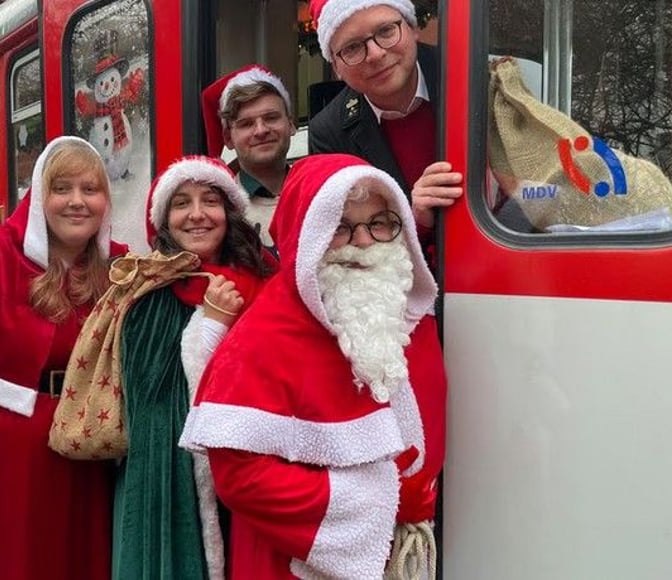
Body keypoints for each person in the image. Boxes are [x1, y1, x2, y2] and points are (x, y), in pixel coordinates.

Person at [180, 153, 448, 579]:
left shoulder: (405, 312)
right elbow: (240, 476)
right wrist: (386, 501)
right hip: (297, 559)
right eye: (341, 227)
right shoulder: (265, 334)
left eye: (381, 222)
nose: (364, 241)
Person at [0, 135, 127, 580]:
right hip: (7, 445)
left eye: (90, 190)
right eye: (62, 189)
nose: (77, 202)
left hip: (90, 442)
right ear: (38, 196)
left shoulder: (120, 268)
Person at [112, 157, 275, 579]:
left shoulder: (264, 282)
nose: (198, 214)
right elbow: (150, 400)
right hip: (174, 480)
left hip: (255, 470)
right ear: (165, 220)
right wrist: (213, 325)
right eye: (182, 203)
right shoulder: (148, 291)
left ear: (230, 213)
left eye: (210, 201)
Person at [308, 0, 463, 255]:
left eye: (385, 31)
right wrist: (414, 218)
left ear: (412, 27)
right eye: (352, 47)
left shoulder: (469, 74)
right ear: (336, 67)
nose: (376, 54)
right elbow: (348, 242)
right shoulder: (329, 132)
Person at [201, 65, 295, 253]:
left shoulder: (320, 190)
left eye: (271, 118)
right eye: (246, 124)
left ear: (291, 125)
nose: (261, 130)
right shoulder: (217, 211)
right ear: (227, 138)